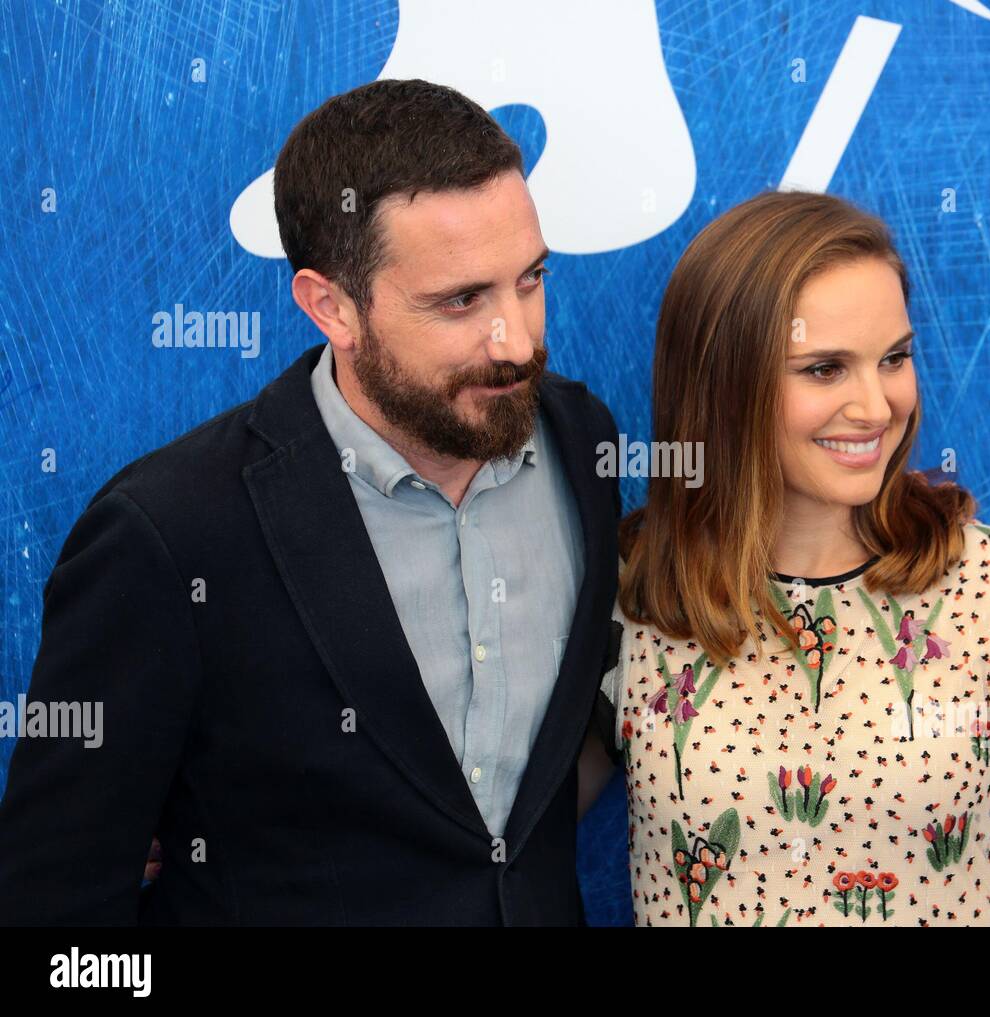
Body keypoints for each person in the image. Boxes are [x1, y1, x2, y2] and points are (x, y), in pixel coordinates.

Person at [0, 79, 622, 925]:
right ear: (330, 306)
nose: (516, 339)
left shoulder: (581, 441)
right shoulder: (171, 534)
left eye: (530, 279)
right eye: (460, 301)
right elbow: (55, 904)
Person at [578, 190, 990, 926]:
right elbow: (493, 848)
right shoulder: (629, 598)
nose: (875, 405)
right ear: (723, 384)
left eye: (893, 357)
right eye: (825, 368)